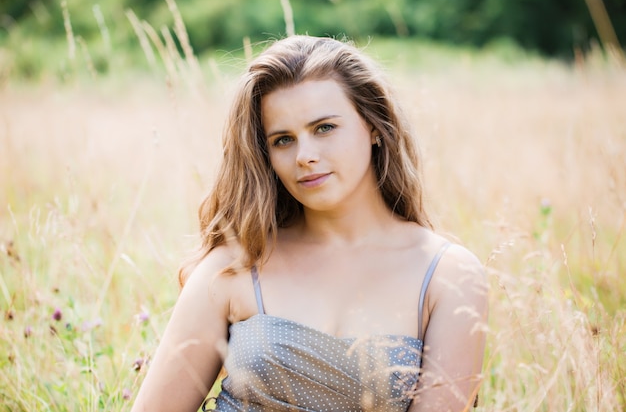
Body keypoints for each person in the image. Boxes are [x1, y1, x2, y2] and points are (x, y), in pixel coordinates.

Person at [131, 35, 488, 412]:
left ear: (374, 127)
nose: (305, 156)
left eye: (324, 128)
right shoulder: (232, 267)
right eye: (283, 140)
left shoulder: (449, 275)